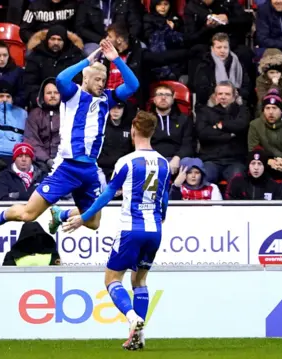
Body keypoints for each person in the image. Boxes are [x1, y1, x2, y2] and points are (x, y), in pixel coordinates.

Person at [0, 40, 140, 236]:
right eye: (97, 80)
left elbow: (133, 85)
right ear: (86, 79)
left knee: (94, 223)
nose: (101, 84)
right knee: (29, 214)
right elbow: (60, 79)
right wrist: (87, 61)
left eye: (104, 80)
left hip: (90, 169)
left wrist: (115, 60)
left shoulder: (107, 98)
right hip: (67, 167)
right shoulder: (73, 93)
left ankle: (61, 214)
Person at [62, 110, 170, 350]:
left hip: (132, 228)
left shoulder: (127, 162)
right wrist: (161, 218)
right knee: (140, 280)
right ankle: (139, 339)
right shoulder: (164, 163)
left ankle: (132, 317)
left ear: (133, 130)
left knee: (111, 279)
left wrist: (84, 218)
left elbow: (107, 196)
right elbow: (164, 200)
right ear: (153, 131)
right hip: (155, 231)